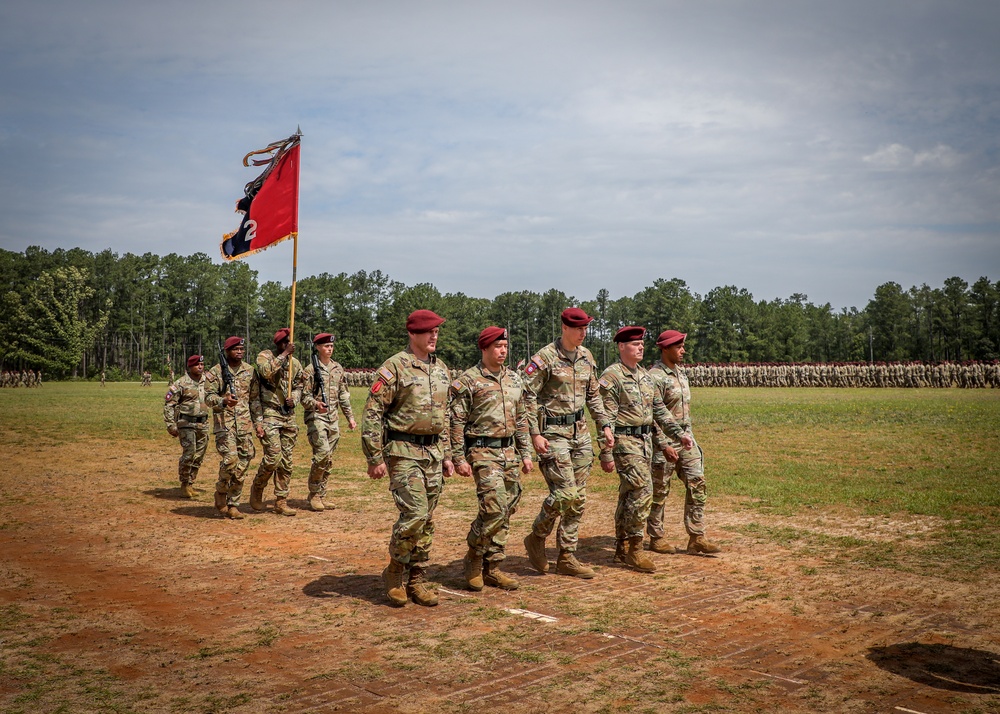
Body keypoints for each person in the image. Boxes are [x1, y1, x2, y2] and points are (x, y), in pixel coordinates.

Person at [361, 309, 454, 607]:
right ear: (413, 334)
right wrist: (374, 457)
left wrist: (449, 454)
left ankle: (417, 578)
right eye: (428, 331)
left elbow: (446, 416)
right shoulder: (394, 368)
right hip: (403, 452)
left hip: (434, 453)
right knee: (414, 513)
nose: (434, 336)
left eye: (437, 331)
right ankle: (394, 571)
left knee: (426, 520)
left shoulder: (442, 369)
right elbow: (373, 413)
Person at [522, 307, 615, 579]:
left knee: (579, 498)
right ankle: (537, 537)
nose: (582, 333)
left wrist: (605, 424)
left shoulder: (587, 357)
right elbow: (527, 397)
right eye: (578, 328)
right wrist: (534, 434)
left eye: (585, 328)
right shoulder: (545, 358)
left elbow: (594, 396)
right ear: (564, 328)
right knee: (565, 494)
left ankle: (567, 556)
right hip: (552, 434)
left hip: (580, 434)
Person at [598, 326, 694, 572]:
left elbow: (659, 411)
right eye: (634, 344)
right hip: (623, 442)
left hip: (645, 442)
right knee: (643, 490)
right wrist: (606, 453)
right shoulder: (612, 376)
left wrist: (679, 435)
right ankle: (636, 549)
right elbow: (604, 418)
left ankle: (621, 547)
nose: (640, 347)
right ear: (621, 347)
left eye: (641, 343)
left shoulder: (645, 376)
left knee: (629, 495)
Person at [450, 327, 533, 591]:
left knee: (507, 508)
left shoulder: (514, 379)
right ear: (484, 348)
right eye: (498, 346)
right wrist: (458, 457)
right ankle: (474, 557)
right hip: (482, 451)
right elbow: (456, 421)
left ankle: (493, 566)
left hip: (509, 452)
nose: (503, 351)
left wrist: (526, 453)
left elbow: (521, 419)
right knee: (494, 506)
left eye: (505, 346)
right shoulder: (469, 381)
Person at [647, 330, 722, 555]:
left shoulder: (680, 373)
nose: (683, 351)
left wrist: (686, 437)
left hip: (686, 440)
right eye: (679, 347)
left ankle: (697, 536)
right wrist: (663, 444)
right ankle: (656, 537)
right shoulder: (654, 377)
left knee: (697, 483)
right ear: (666, 348)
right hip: (665, 443)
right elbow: (651, 415)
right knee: (660, 491)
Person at [205, 336, 262, 520]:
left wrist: (259, 423)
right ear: (227, 351)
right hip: (225, 424)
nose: (239, 352)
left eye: (241, 349)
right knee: (231, 460)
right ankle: (221, 490)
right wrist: (223, 401)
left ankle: (233, 504)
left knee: (243, 465)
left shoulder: (250, 371)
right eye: (235, 349)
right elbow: (207, 397)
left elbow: (254, 400)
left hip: (244, 425)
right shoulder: (215, 372)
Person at [250, 328, 304, 517]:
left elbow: (299, 386)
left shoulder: (295, 364)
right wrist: (283, 355)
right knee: (274, 457)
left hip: (288, 415)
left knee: (286, 461)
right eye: (285, 343)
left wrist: (294, 399)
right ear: (279, 344)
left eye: (290, 343)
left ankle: (281, 500)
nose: (289, 345)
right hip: (270, 413)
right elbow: (265, 372)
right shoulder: (266, 356)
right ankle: (258, 486)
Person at [301, 332, 357, 512]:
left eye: (331, 346)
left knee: (328, 459)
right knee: (322, 454)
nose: (330, 349)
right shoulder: (310, 370)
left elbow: (343, 395)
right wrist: (316, 404)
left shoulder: (338, 368)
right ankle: (314, 493)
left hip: (333, 418)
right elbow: (304, 397)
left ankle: (322, 494)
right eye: (326, 346)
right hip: (316, 417)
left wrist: (350, 417)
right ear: (318, 347)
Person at [163, 355, 210, 498]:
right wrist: (171, 424)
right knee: (189, 453)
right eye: (197, 365)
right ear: (190, 367)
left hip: (203, 423)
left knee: (199, 455)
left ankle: (190, 483)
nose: (200, 367)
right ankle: (184, 483)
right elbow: (169, 404)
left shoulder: (207, 382)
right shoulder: (180, 383)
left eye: (202, 364)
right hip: (186, 423)